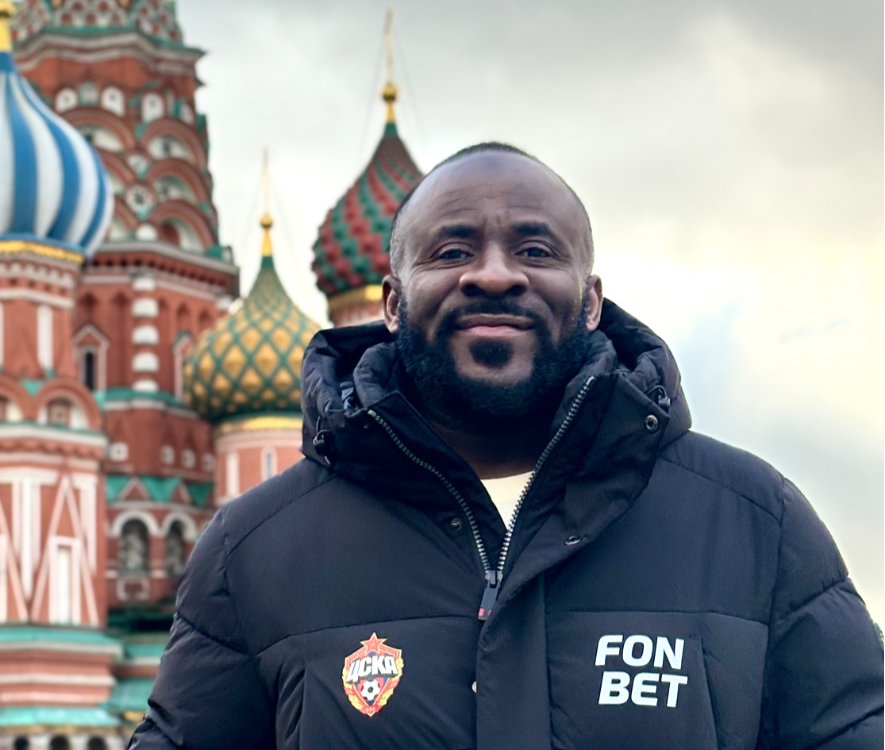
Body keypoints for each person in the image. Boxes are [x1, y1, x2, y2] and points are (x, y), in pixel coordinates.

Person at [129, 143, 885, 749]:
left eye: (536, 249)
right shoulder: (258, 549)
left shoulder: (752, 522)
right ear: (392, 302)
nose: (493, 274)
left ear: (592, 301)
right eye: (452, 251)